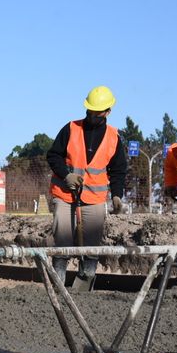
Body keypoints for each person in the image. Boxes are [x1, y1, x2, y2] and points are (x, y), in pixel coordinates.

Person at [46, 85, 127, 286]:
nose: (92, 115)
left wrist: (117, 195)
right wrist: (66, 175)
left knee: (92, 244)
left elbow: (118, 170)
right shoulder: (71, 128)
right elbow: (53, 155)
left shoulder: (114, 138)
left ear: (108, 112)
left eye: (96, 112)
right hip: (65, 195)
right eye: (90, 110)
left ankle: (86, 277)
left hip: (94, 199)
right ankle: (58, 283)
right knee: (63, 239)